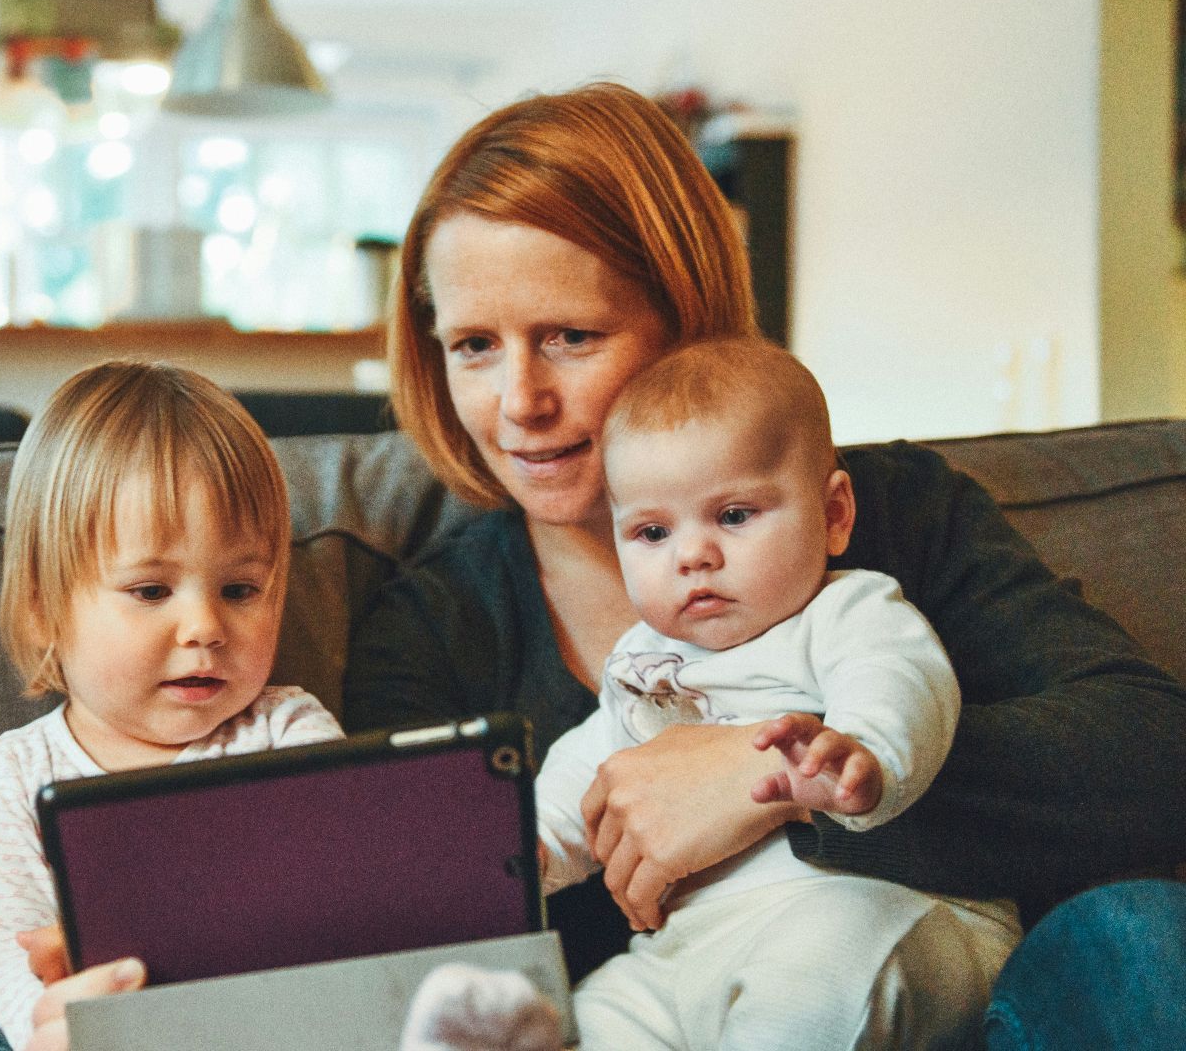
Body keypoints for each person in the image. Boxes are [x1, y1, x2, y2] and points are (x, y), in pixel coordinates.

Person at [340, 81, 1186, 1043]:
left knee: (1140, 937)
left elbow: (1156, 758)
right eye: (476, 347)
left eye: (570, 336)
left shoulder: (892, 515)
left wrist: (767, 783)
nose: (520, 401)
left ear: (683, 317)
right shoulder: (431, 630)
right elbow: (406, 938)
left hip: (948, 1001)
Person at [513, 336, 1014, 1046]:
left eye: (735, 516)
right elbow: (591, 770)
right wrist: (524, 846)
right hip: (691, 947)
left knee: (810, 988)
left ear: (834, 515)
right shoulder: (644, 662)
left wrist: (863, 754)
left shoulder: (847, 613)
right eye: (653, 531)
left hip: (875, 913)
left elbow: (902, 681)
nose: (693, 555)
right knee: (599, 1016)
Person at [0, 359, 342, 1051]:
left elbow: (337, 935)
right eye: (150, 591)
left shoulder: (293, 737)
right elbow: (3, 994)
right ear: (44, 610)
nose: (205, 627)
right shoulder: (5, 788)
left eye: (240, 590)